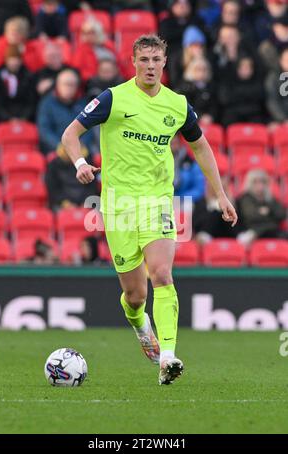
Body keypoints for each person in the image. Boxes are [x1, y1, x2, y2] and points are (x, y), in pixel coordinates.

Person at [61, 35, 237, 385]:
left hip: (157, 201)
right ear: (133, 62)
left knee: (162, 274)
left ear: (165, 62)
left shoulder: (177, 105)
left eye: (156, 59)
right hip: (117, 206)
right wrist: (81, 162)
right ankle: (141, 326)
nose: (151, 66)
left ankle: (168, 358)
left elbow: (201, 148)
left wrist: (220, 194)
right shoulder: (113, 98)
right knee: (135, 294)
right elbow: (70, 133)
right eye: (144, 60)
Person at [37, 68, 94, 154]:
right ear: (58, 85)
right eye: (65, 84)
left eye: (72, 85)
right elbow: (44, 130)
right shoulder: (47, 103)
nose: (69, 88)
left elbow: (90, 127)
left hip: (80, 150)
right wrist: (59, 146)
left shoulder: (83, 103)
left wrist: (82, 144)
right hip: (54, 151)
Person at [236, 169, 286, 246]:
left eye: (263, 182)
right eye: (255, 182)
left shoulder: (270, 198)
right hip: (253, 230)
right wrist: (270, 215)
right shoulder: (245, 198)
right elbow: (251, 216)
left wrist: (268, 210)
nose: (260, 185)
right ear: (249, 183)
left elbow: (281, 214)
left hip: (272, 231)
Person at [0, 44, 36, 122]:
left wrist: (24, 117)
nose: (14, 62)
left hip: (24, 117)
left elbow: (31, 101)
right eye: (11, 59)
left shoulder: (28, 76)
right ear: (6, 60)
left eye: (17, 59)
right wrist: (7, 118)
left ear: (21, 60)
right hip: (2, 117)